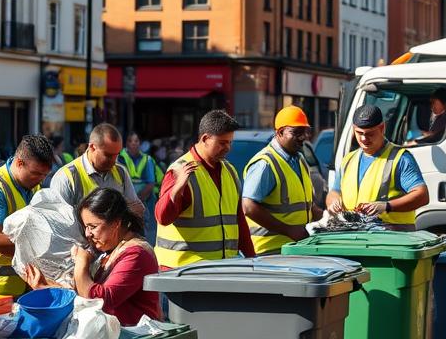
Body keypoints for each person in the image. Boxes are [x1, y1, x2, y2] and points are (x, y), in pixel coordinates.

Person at [22, 187, 173, 339]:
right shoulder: (110, 252)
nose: (88, 235)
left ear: (116, 222)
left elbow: (100, 300)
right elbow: (85, 295)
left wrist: (81, 264)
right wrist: (46, 287)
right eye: (85, 228)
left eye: (93, 227)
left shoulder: (136, 253)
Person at [155, 110, 252, 268]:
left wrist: (251, 259)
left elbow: (239, 220)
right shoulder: (180, 170)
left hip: (219, 269)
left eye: (230, 142)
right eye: (222, 142)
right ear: (205, 139)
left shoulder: (230, 171)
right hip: (181, 273)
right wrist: (176, 189)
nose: (228, 148)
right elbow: (162, 217)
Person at [326, 105, 428, 231]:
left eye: (369, 134)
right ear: (353, 129)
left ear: (382, 128)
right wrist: (333, 202)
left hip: (393, 239)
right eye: (359, 133)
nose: (364, 139)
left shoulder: (400, 159)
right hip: (354, 237)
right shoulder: (348, 160)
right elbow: (334, 191)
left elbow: (422, 196)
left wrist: (387, 206)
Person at [0, 135, 54, 296]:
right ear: (19, 163)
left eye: (44, 175)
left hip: (28, 285)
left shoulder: (32, 186)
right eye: (36, 173)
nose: (40, 179)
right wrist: (40, 247)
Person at [50, 124, 145, 249]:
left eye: (117, 154)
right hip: (80, 254)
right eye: (108, 155)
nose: (114, 160)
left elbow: (137, 210)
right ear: (92, 147)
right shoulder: (66, 177)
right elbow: (59, 227)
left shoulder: (120, 172)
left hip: (114, 252)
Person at [242, 106, 321, 255]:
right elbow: (248, 207)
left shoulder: (300, 160)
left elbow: (308, 207)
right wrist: (289, 230)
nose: (303, 137)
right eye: (296, 132)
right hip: (268, 252)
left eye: (305, 131)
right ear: (280, 132)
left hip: (293, 248)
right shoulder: (265, 164)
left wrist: (331, 219)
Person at [121, 132, 163, 243]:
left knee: (148, 226)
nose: (133, 144)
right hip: (126, 195)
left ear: (140, 143)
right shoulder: (120, 157)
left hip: (145, 196)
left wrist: (139, 200)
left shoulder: (147, 159)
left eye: (136, 141)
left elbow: (151, 182)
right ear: (126, 143)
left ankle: (149, 246)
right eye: (131, 141)